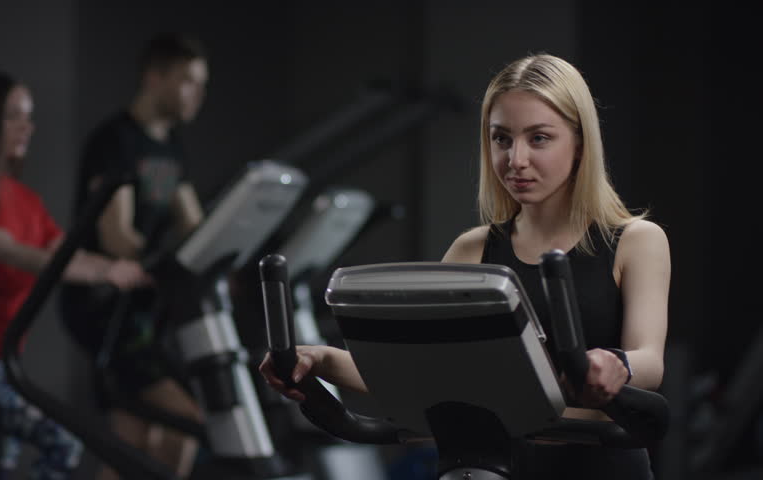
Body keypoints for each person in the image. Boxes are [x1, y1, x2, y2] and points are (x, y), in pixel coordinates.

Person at [259, 54, 671, 479]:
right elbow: (418, 371)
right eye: (502, 139)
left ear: (580, 142)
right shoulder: (473, 250)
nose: (516, 159)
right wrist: (320, 359)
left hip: (599, 463)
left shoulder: (635, 241)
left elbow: (650, 362)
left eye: (539, 138)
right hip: (489, 465)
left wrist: (612, 363)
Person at [0, 69, 152, 479]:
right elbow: (14, 254)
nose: (28, 127)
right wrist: (108, 272)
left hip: (1, 360)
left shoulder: (25, 199)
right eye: (14, 116)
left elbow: (68, 255)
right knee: (61, 439)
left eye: (29, 116)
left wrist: (127, 270)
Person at [58, 32, 208, 479]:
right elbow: (116, 235)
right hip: (104, 304)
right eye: (188, 81)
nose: (198, 93)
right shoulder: (116, 140)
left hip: (139, 310)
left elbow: (195, 227)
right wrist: (164, 261)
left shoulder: (172, 148)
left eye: (202, 83)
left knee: (134, 437)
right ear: (154, 77)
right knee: (186, 421)